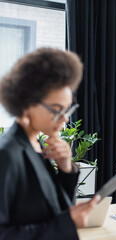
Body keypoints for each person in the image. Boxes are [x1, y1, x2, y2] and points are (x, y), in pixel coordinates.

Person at [0, 48, 100, 240]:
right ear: (27, 104)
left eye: (67, 110)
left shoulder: (36, 144)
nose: (64, 120)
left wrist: (65, 168)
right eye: (56, 110)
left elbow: (54, 209)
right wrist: (68, 222)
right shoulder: (6, 155)